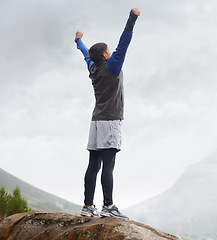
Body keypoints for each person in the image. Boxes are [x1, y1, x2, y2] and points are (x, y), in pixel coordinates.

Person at [74, 8, 140, 218]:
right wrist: (132, 18)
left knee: (93, 164)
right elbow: (124, 44)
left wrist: (78, 41)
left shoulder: (92, 67)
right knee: (108, 165)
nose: (112, 52)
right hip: (110, 122)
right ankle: (109, 207)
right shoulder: (112, 66)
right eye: (109, 51)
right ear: (105, 55)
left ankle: (88, 206)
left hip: (96, 121)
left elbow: (85, 52)